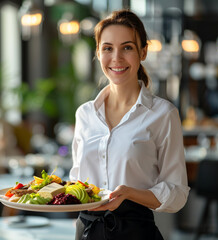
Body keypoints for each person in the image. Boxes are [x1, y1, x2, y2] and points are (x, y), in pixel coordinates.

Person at [69, 9, 190, 240]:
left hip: (135, 232)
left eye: (127, 47)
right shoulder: (84, 114)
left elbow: (177, 194)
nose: (116, 58)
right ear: (98, 52)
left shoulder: (163, 114)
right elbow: (77, 180)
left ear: (143, 51)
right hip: (86, 232)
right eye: (107, 48)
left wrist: (128, 194)